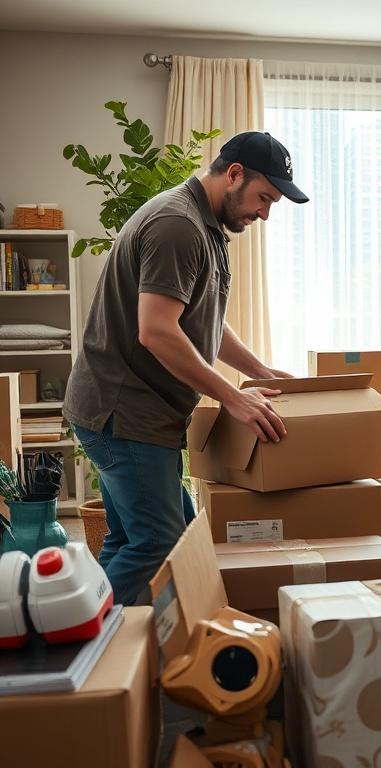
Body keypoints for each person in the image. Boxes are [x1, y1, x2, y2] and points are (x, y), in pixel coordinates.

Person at [65, 131, 309, 605]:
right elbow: (156, 330)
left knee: (136, 540)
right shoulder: (177, 225)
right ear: (233, 174)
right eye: (263, 198)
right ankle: (92, 651)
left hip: (131, 413)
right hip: (124, 414)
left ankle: (102, 640)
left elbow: (203, 321)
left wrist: (259, 370)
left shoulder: (206, 224)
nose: (264, 213)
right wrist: (233, 397)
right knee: (159, 544)